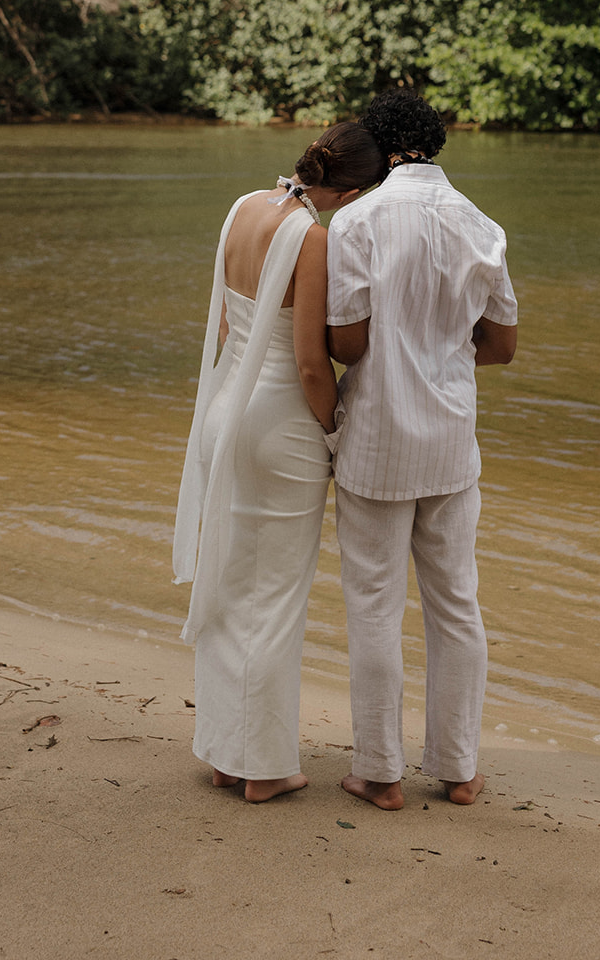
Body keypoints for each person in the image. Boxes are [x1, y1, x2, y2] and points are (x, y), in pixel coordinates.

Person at [172, 123, 385, 803]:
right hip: (278, 424)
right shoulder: (312, 237)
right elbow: (307, 362)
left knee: (234, 581)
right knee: (276, 597)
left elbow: (233, 326)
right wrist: (331, 433)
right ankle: (263, 766)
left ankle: (224, 752)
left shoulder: (243, 207)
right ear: (349, 190)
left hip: (223, 413)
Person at [326, 88, 518, 811]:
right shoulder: (481, 225)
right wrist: (443, 340)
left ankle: (378, 771)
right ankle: (459, 769)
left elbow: (348, 341)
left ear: (376, 149)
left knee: (374, 606)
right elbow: (500, 346)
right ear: (433, 144)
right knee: (456, 605)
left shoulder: (357, 220)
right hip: (449, 441)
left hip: (376, 436)